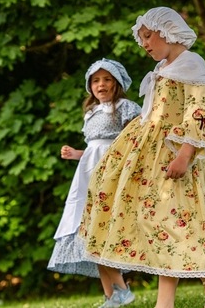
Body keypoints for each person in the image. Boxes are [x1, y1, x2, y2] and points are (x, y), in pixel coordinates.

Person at [78, 7, 205, 308]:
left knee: (168, 220)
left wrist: (185, 155)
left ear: (167, 30)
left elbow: (197, 114)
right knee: (150, 219)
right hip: (148, 155)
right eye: (142, 39)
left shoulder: (192, 64)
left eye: (148, 36)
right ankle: (179, 295)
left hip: (174, 153)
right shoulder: (160, 70)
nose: (145, 44)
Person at [47, 58, 141, 307]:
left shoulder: (125, 107)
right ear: (90, 85)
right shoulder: (91, 112)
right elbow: (93, 150)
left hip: (112, 174)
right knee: (87, 232)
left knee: (101, 230)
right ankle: (111, 296)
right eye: (96, 80)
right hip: (88, 176)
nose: (101, 84)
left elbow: (133, 141)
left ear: (117, 82)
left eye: (107, 79)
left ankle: (121, 289)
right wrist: (75, 154)